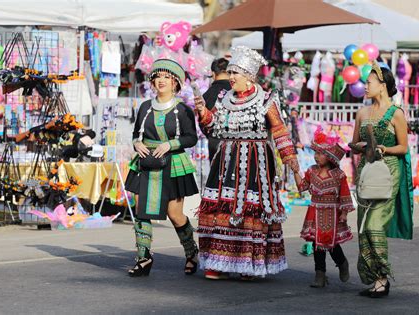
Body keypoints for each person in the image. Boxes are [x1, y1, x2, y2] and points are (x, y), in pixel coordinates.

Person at [194, 46, 300, 280]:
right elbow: (213, 127)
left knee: (250, 211)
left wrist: (291, 161)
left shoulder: (266, 100)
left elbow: (280, 131)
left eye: (235, 74)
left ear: (250, 76)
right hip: (226, 161)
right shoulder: (224, 98)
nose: (230, 78)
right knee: (221, 207)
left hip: (255, 163)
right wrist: (203, 112)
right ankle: (218, 262)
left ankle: (248, 263)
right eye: (230, 73)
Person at [125, 59, 199, 277]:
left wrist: (170, 144)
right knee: (141, 210)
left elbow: (191, 138)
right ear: (152, 81)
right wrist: (136, 144)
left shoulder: (183, 109)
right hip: (145, 163)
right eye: (158, 76)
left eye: (167, 77)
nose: (161, 80)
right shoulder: (145, 107)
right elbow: (136, 134)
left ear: (175, 82)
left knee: (175, 214)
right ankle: (143, 257)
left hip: (173, 164)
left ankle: (191, 252)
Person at [350, 61, 413, 298]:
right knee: (363, 225)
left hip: (388, 173)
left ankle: (383, 277)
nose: (365, 86)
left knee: (375, 224)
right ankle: (373, 278)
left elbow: (403, 148)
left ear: (383, 85)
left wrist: (383, 149)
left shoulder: (396, 114)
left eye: (369, 82)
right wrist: (360, 146)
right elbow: (354, 145)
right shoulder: (362, 112)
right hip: (366, 172)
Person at [294, 127, 354, 288]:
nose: (316, 156)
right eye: (315, 153)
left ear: (329, 157)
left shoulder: (338, 175)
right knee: (316, 244)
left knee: (332, 244)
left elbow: (344, 195)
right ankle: (319, 275)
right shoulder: (311, 171)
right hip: (315, 211)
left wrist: (344, 214)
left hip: (332, 213)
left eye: (320, 153)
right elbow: (301, 187)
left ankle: (342, 263)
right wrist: (295, 171)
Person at [202, 58, 231, 162]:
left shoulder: (207, 95)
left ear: (213, 74)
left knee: (216, 175)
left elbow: (203, 122)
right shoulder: (237, 91)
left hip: (215, 141)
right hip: (237, 142)